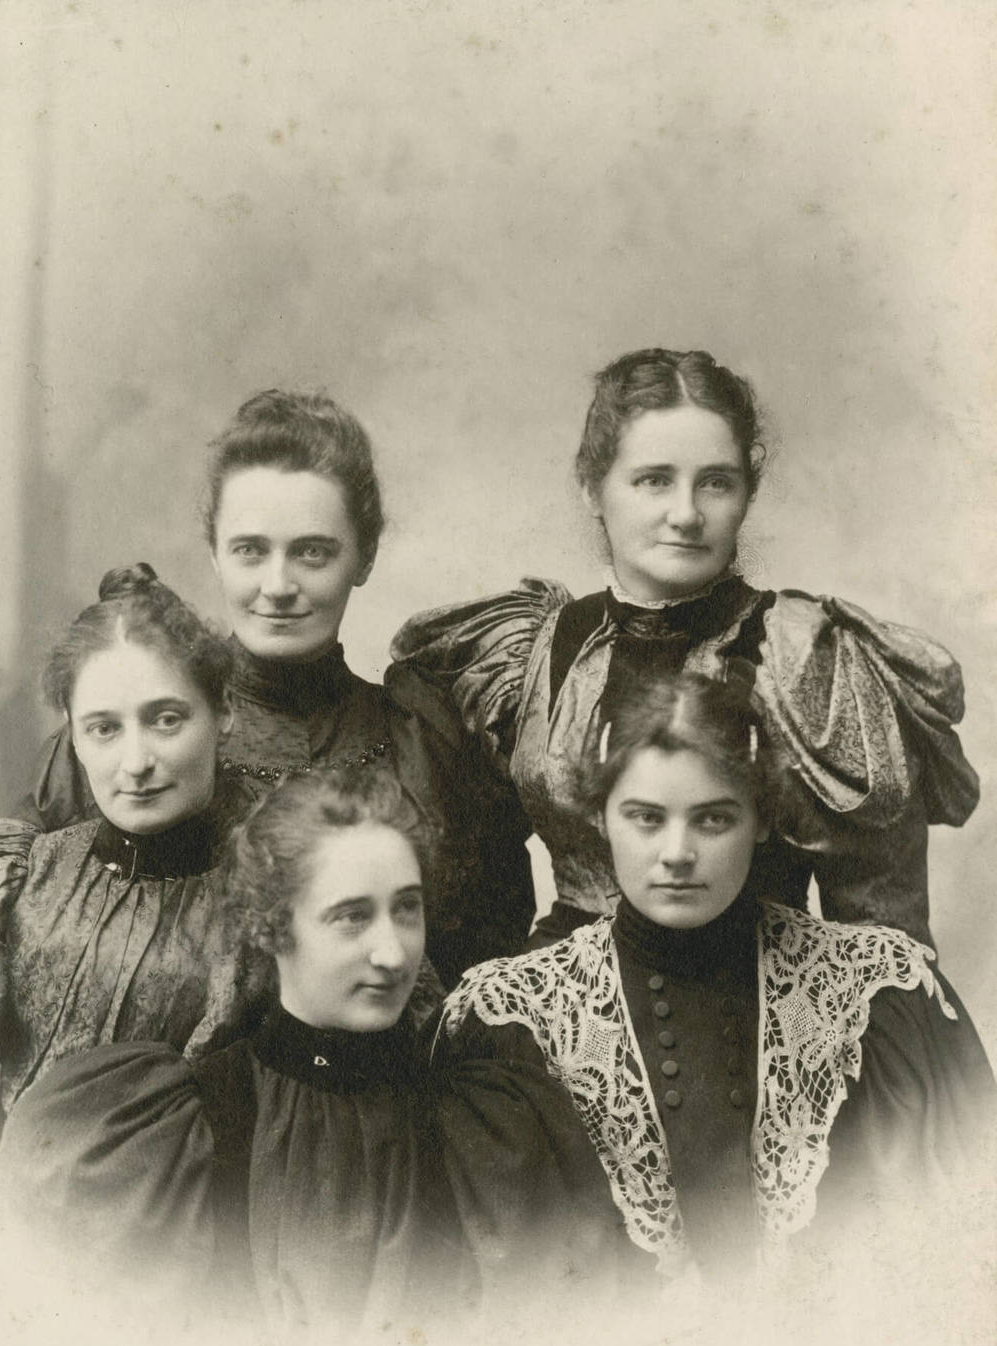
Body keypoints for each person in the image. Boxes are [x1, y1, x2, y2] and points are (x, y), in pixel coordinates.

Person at [391, 347, 979, 946]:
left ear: (747, 492)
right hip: (564, 1014)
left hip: (763, 1009)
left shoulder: (806, 658)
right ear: (594, 488)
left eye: (716, 483)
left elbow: (887, 940)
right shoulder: (536, 649)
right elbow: (476, 898)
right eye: (653, 481)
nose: (686, 514)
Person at [0, 767, 619, 1324]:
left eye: (407, 909)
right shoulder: (177, 1134)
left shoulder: (491, 1132)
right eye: (351, 917)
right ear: (272, 928)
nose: (394, 952)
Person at [433, 674, 994, 1283]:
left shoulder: (879, 992)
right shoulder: (516, 1017)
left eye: (713, 820)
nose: (677, 852)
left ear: (759, 820)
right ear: (600, 817)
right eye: (646, 818)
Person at [27, 390, 536, 982]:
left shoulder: (429, 741)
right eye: (249, 551)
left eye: (312, 554)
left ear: (364, 557)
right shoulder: (121, 743)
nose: (277, 585)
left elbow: (488, 965)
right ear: (215, 556)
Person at [0, 564, 254, 1176]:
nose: (136, 762)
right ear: (72, 736)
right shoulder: (12, 883)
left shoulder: (275, 890)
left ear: (223, 712)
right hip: (18, 1243)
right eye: (104, 728)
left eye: (166, 719)